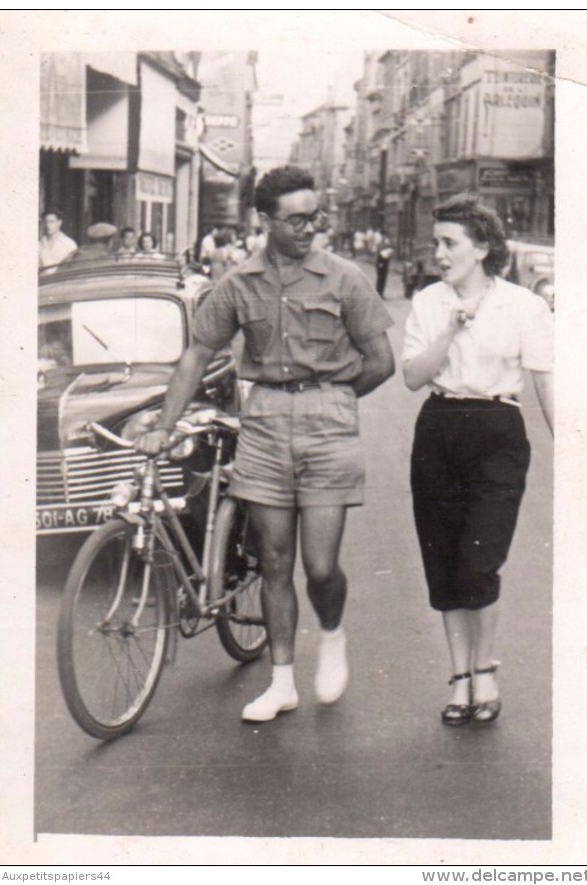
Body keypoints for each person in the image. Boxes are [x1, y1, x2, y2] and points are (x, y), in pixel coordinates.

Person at [136, 165, 395, 723]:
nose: (310, 229)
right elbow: (195, 357)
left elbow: (381, 362)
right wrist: (163, 424)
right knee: (273, 561)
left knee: (320, 566)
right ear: (265, 220)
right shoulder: (237, 284)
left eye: (315, 217)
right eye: (297, 220)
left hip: (328, 419)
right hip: (265, 423)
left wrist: (333, 397)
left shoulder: (345, 278)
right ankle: (282, 683)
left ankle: (331, 633)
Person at [402, 193, 554, 727]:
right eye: (436, 242)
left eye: (450, 243)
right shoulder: (427, 302)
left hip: (497, 430)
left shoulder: (525, 306)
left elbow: (544, 380)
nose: (439, 253)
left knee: (479, 558)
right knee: (443, 559)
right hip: (440, 428)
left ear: (482, 247)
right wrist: (451, 327)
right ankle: (460, 675)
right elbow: (415, 377)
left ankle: (485, 668)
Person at [375, 231, 394, 297]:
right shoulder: (381, 243)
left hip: (385, 261)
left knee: (383, 278)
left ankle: (381, 292)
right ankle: (379, 293)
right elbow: (379, 253)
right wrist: (380, 263)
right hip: (381, 261)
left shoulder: (385, 242)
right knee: (381, 278)